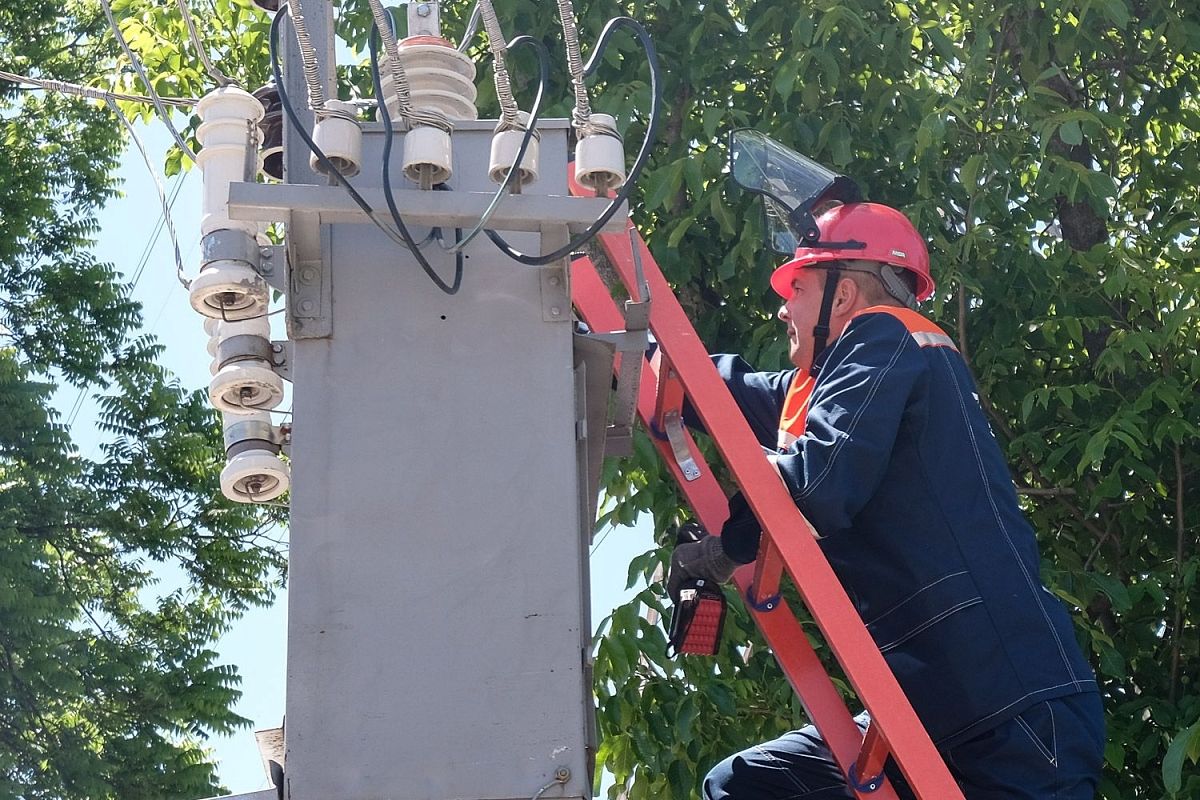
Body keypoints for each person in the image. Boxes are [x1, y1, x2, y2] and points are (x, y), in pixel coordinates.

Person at [666, 202, 1105, 799]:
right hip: (929, 712)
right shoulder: (826, 388)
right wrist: (621, 354)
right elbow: (723, 388)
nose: (781, 305)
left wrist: (726, 548)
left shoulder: (890, 336)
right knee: (748, 787)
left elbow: (817, 483)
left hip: (1010, 711)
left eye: (797, 286)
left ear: (842, 296)